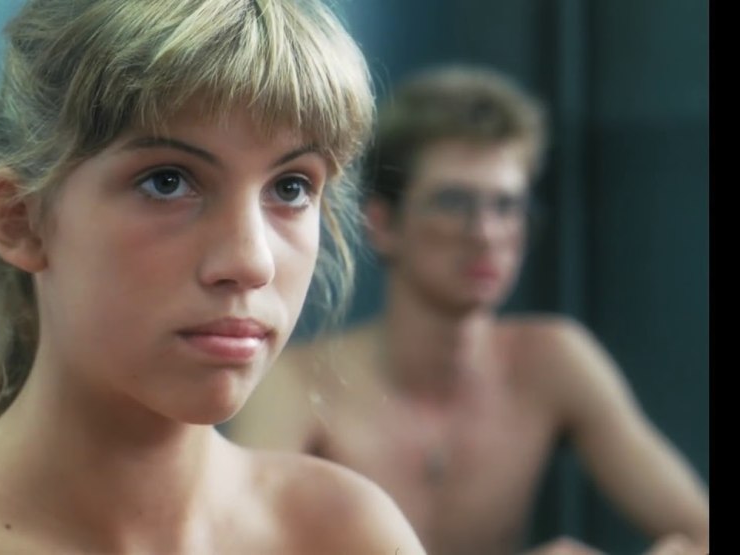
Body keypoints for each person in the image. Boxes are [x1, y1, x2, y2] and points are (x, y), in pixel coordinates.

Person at [0, 1, 427, 553]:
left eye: (291, 187)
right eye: (167, 181)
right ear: (21, 220)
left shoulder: (346, 532)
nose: (251, 262)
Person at [227, 64, 709, 555]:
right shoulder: (298, 386)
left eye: (506, 205)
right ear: (383, 224)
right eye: (453, 202)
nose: (485, 232)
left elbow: (702, 531)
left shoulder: (551, 361)